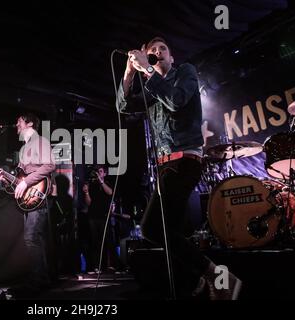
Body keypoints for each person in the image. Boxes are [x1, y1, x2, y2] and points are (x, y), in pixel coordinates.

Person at [116, 37, 242, 299]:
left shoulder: (185, 72)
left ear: (171, 58)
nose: (157, 52)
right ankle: (198, 281)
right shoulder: (150, 89)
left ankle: (218, 276)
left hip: (184, 161)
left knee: (151, 228)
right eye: (152, 51)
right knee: (170, 233)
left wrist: (148, 70)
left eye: (162, 49)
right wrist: (129, 74)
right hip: (165, 166)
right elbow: (123, 107)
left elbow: (175, 101)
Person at [0, 113, 55, 298]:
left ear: (29, 123)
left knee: (31, 238)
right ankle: (40, 279)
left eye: (19, 122)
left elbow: (50, 165)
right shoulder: (25, 148)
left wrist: (26, 181)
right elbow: (18, 180)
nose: (16, 125)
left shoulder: (40, 141)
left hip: (39, 194)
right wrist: (5, 179)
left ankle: (39, 281)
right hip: (29, 198)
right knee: (33, 239)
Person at [82, 165, 119, 273]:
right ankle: (97, 266)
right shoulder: (91, 185)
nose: (98, 173)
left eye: (101, 171)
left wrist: (101, 182)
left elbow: (110, 192)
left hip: (104, 216)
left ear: (105, 174)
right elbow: (88, 203)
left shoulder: (106, 183)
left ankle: (113, 265)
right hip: (93, 217)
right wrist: (86, 192)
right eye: (97, 171)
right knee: (95, 242)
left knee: (108, 241)